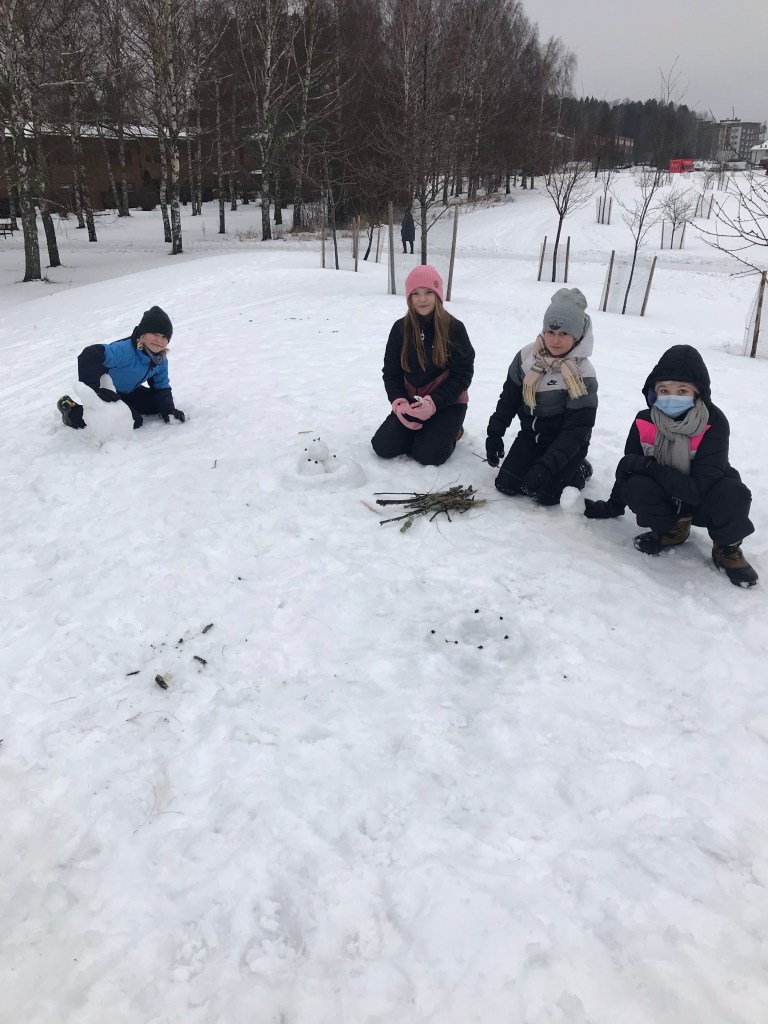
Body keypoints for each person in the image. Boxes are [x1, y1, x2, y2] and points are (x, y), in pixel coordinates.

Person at [583, 344, 758, 588]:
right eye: (664, 390)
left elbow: (697, 490)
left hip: (704, 498)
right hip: (668, 496)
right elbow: (628, 470)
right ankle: (673, 530)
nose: (671, 397)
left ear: (698, 393)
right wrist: (611, 507)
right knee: (636, 486)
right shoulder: (644, 421)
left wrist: (650, 467)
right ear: (653, 392)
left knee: (733, 493)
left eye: (682, 390)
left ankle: (726, 548)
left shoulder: (714, 423)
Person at [485, 287, 597, 505]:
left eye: (564, 333)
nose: (555, 340)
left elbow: (577, 429)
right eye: (550, 332)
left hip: (567, 443)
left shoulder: (582, 374)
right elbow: (508, 399)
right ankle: (539, 462)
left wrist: (546, 467)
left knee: (545, 496)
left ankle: (578, 469)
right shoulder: (526, 358)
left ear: (577, 337)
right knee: (506, 485)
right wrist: (494, 434)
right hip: (532, 436)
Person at [371, 265, 474, 467]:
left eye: (428, 292)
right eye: (416, 293)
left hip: (447, 403)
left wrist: (433, 403)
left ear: (438, 295)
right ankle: (423, 432)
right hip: (412, 402)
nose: (422, 299)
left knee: (428, 455)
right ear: (409, 297)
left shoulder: (454, 328)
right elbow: (391, 372)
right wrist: (399, 401)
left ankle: (453, 430)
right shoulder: (400, 328)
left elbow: (463, 375)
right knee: (383, 446)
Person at [57, 305, 185, 430]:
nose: (159, 340)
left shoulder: (160, 360)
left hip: (128, 392)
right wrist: (95, 391)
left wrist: (169, 410)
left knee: (157, 404)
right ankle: (71, 412)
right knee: (130, 421)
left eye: (164, 337)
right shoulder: (125, 350)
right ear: (142, 334)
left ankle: (124, 407)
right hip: (107, 391)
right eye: (155, 333)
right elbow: (90, 354)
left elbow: (161, 387)